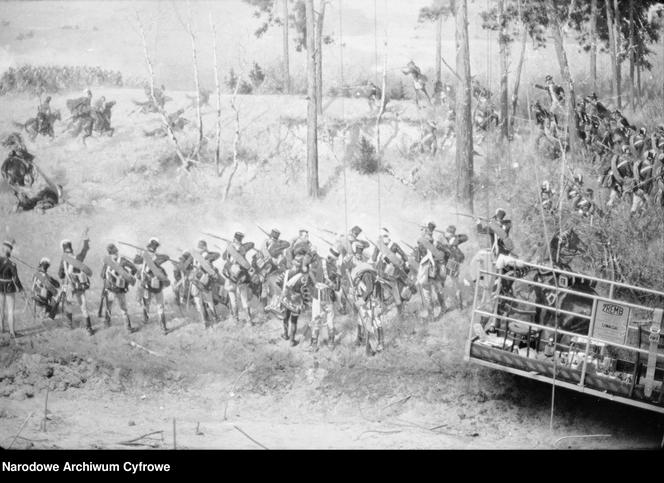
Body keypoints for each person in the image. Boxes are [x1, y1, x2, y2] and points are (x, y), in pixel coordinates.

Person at [134, 237, 170, 334]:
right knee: (153, 304)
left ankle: (148, 320)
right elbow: (136, 261)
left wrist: (144, 254)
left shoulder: (151, 257)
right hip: (149, 284)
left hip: (151, 283)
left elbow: (136, 260)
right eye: (154, 246)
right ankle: (162, 327)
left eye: (154, 246)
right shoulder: (152, 257)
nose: (153, 248)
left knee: (151, 304)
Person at [58, 236, 94, 335]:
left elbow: (60, 274)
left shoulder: (64, 259)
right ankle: (89, 328)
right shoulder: (78, 257)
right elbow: (85, 250)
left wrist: (65, 273)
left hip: (70, 285)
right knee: (83, 306)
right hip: (80, 285)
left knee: (68, 304)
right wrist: (86, 241)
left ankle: (69, 325)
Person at [100, 243, 138, 332]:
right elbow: (134, 269)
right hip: (120, 289)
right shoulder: (123, 260)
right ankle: (128, 328)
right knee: (124, 309)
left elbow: (102, 275)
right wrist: (127, 278)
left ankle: (107, 323)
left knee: (109, 307)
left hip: (110, 289)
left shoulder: (107, 261)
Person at [309, 247, 341, 351]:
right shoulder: (335, 269)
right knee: (330, 320)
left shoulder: (318, 262)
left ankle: (314, 345)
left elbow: (309, 271)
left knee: (316, 319)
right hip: (328, 296)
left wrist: (315, 283)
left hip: (317, 294)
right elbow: (337, 287)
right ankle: (331, 343)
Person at [221, 232, 255, 324]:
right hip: (241, 276)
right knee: (244, 299)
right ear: (241, 239)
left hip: (231, 275)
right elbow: (252, 244)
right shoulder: (243, 247)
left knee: (233, 300)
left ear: (234, 238)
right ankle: (249, 321)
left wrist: (229, 246)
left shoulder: (231, 247)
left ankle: (236, 319)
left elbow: (223, 257)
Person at [279, 258, 310, 347]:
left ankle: (285, 334)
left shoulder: (286, 273)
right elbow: (305, 291)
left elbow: (278, 281)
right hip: (297, 302)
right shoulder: (303, 277)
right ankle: (292, 341)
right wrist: (304, 303)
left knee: (285, 317)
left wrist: (284, 291)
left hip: (286, 299)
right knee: (294, 321)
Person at [190, 239, 221, 327]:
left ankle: (205, 322)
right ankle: (215, 319)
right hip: (204, 281)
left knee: (199, 303)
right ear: (204, 247)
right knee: (209, 301)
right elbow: (217, 255)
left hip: (195, 281)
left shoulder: (193, 255)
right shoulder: (206, 255)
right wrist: (207, 251)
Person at [442, 225, 468, 310]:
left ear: (450, 233)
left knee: (453, 283)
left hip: (452, 262)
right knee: (454, 283)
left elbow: (465, 237)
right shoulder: (453, 239)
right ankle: (458, 303)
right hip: (454, 261)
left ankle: (459, 304)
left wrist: (452, 237)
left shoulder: (453, 240)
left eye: (447, 231)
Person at [0, 241, 23, 338]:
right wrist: (21, 288)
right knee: (10, 311)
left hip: (0, 285)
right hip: (9, 287)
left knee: (1, 309)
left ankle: (1, 329)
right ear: (9, 251)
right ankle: (12, 333)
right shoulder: (12, 264)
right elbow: (16, 278)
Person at [31, 257, 61, 322]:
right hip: (43, 295)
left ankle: (35, 315)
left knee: (45, 294)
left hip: (37, 293)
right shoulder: (47, 277)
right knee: (56, 296)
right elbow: (56, 286)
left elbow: (33, 286)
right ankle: (49, 315)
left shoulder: (36, 274)